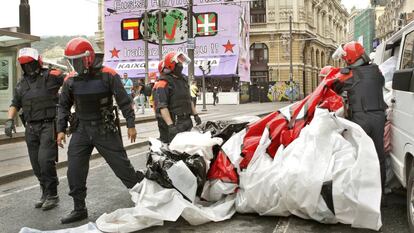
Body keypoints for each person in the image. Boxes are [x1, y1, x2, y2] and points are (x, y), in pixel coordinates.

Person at [57, 37, 144, 224]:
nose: (74, 65)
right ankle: (79, 208)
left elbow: (124, 102)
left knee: (122, 167)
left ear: (88, 58)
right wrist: (61, 129)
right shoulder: (70, 80)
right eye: (71, 61)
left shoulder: (108, 74)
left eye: (77, 60)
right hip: (81, 129)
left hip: (105, 128)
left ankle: (144, 198)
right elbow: (63, 106)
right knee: (74, 170)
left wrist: (131, 124)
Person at [4, 47, 64, 210]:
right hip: (30, 128)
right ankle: (45, 192)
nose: (28, 67)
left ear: (37, 61)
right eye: (25, 64)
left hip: (48, 125)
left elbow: (70, 82)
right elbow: (15, 103)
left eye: (30, 63)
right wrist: (9, 120)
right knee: (36, 164)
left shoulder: (51, 76)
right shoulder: (21, 85)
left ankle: (53, 194)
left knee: (45, 161)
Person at [331, 41, 387, 191]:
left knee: (359, 155)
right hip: (379, 117)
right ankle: (380, 192)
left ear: (349, 58)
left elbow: (335, 86)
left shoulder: (346, 74)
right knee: (379, 156)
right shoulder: (377, 71)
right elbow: (380, 83)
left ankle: (361, 191)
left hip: (360, 118)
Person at [153, 52, 202, 143]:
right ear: (171, 65)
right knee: (174, 152)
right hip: (175, 122)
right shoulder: (163, 83)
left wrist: (195, 115)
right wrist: (171, 126)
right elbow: (162, 106)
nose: (181, 65)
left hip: (187, 120)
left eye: (181, 63)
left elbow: (189, 99)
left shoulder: (183, 80)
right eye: (179, 63)